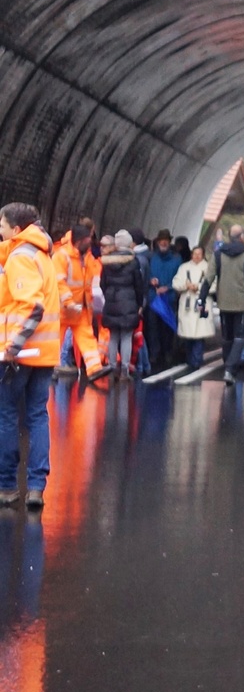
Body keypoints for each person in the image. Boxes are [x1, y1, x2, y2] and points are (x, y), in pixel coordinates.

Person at [0, 204, 61, 510]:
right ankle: (36, 486)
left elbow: (32, 306)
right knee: (38, 416)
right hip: (45, 353)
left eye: (1, 223)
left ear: (16, 228)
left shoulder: (21, 257)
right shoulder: (42, 254)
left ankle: (7, 486)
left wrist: (13, 345)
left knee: (7, 416)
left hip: (20, 354)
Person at [54, 220, 103, 382]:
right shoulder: (62, 256)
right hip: (63, 308)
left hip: (81, 308)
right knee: (55, 339)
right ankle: (48, 368)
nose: (90, 243)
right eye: (88, 241)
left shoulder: (87, 258)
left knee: (87, 337)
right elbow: (58, 281)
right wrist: (68, 301)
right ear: (79, 240)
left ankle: (95, 368)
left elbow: (93, 280)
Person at [209, 224, 244, 377]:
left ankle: (227, 363)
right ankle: (230, 368)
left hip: (224, 303)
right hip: (243, 303)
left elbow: (208, 278)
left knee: (227, 336)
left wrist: (201, 298)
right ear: (242, 237)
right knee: (241, 336)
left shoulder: (218, 255)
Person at [97, 229, 147, 380]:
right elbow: (139, 284)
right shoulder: (133, 261)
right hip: (129, 303)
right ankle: (124, 369)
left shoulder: (106, 261)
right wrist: (139, 303)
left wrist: (110, 296)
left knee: (113, 336)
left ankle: (112, 367)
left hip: (112, 302)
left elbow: (102, 283)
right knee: (126, 336)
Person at [143, 230, 182, 373]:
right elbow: (145, 275)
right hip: (154, 298)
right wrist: (150, 281)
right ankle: (154, 354)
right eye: (161, 240)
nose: (164, 242)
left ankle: (167, 353)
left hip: (169, 298)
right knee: (152, 327)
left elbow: (181, 278)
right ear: (158, 242)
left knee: (167, 328)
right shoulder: (151, 258)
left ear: (169, 242)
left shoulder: (177, 259)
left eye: (166, 240)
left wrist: (169, 287)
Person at [173, 245, 213, 370]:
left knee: (199, 334)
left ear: (203, 255)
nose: (196, 256)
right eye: (194, 254)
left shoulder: (208, 268)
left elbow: (214, 284)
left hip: (202, 303)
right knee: (188, 334)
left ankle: (197, 360)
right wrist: (186, 286)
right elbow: (175, 283)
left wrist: (199, 287)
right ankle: (190, 359)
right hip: (187, 303)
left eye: (199, 254)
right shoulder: (184, 267)